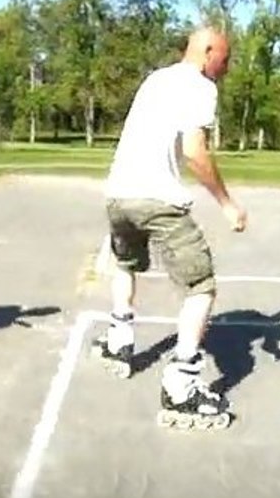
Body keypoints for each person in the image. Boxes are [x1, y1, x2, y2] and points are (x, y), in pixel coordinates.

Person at [98, 25, 247, 425]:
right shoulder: (200, 86)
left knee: (125, 264)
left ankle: (119, 340)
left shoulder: (155, 79)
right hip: (155, 199)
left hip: (118, 194)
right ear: (208, 51)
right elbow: (195, 152)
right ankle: (181, 385)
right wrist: (227, 204)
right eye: (225, 59)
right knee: (201, 286)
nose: (227, 68)